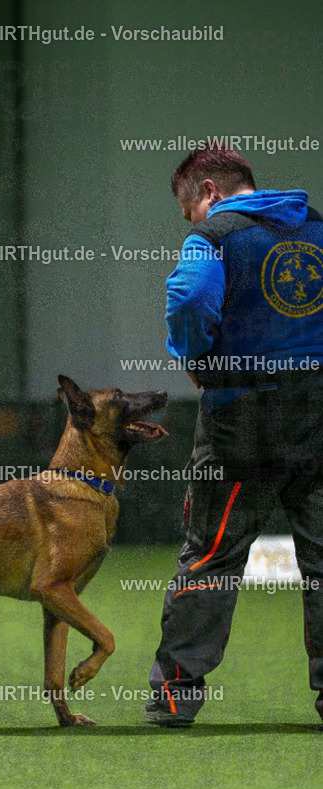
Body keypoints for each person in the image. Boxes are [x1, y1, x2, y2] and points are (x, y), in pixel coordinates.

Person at [144, 142, 323, 726]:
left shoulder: (214, 237)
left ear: (208, 192)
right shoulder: (318, 230)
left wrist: (193, 353)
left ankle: (175, 699)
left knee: (213, 555)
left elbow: (192, 297)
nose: (191, 221)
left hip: (242, 414)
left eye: (186, 208)